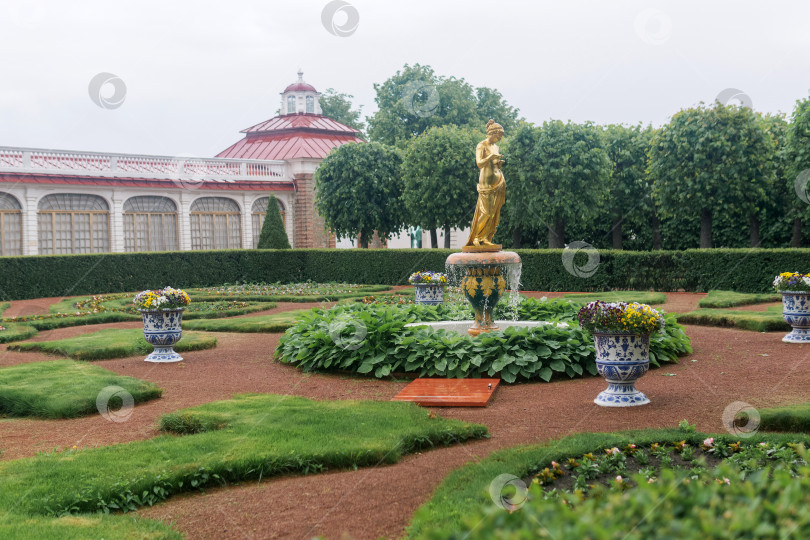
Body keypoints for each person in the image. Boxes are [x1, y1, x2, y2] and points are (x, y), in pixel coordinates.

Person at [464, 119, 506, 249]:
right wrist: (490, 157)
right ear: (492, 133)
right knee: (486, 212)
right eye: (498, 136)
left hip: (498, 182)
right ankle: (476, 237)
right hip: (486, 183)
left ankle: (485, 237)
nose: (499, 139)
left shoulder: (496, 147)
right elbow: (479, 163)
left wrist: (499, 164)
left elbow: (494, 165)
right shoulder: (481, 145)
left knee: (493, 213)